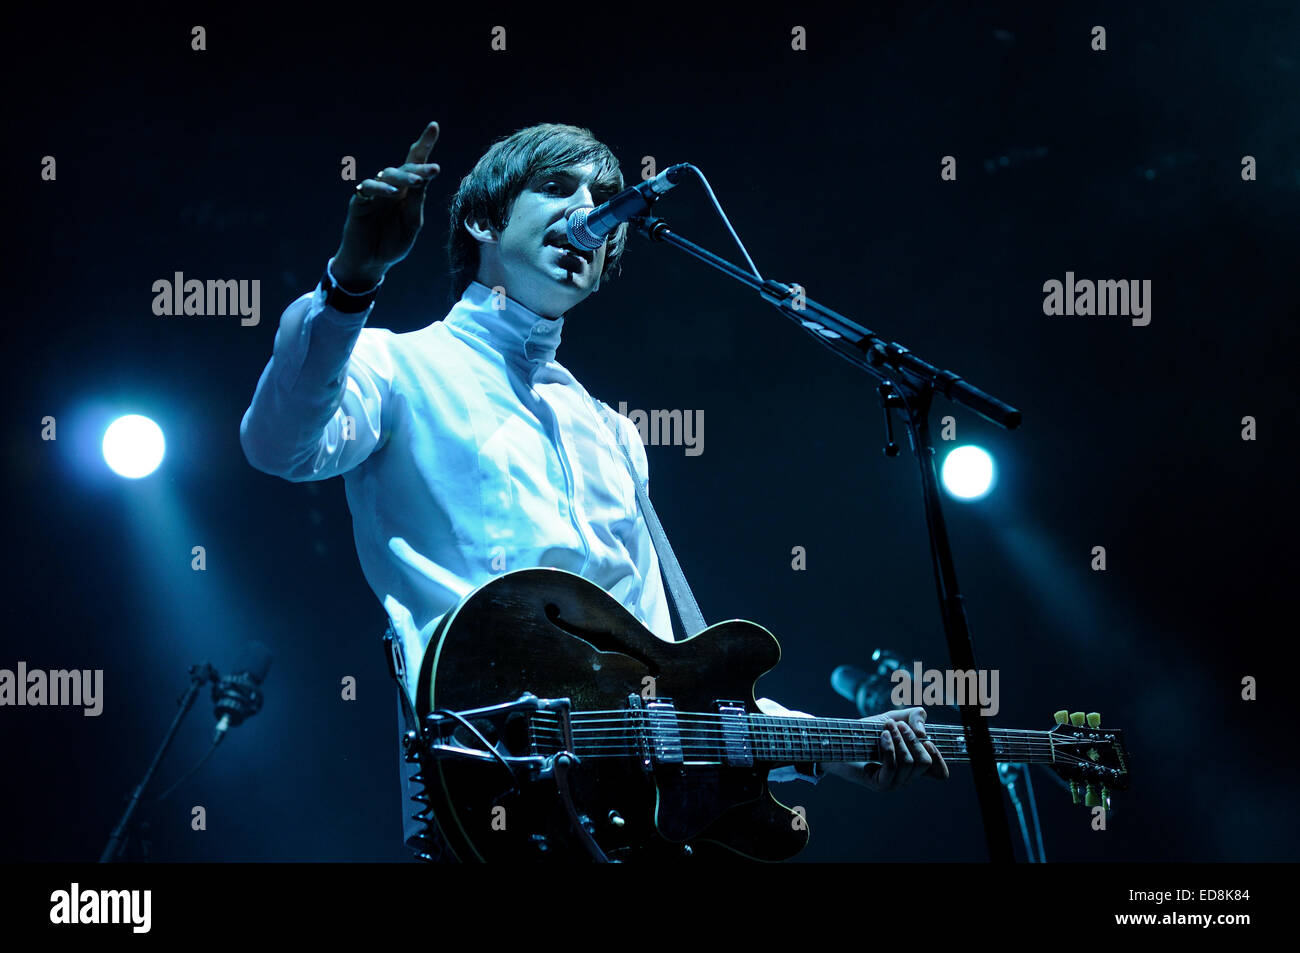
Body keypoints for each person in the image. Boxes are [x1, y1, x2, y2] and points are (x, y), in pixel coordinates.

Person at [239, 120, 948, 859]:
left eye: (604, 199)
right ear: (483, 218)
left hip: (633, 824)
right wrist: (351, 283)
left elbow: (672, 675)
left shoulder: (611, 432)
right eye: (556, 187)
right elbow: (278, 444)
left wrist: (830, 744)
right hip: (493, 800)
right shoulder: (396, 366)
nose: (588, 210)